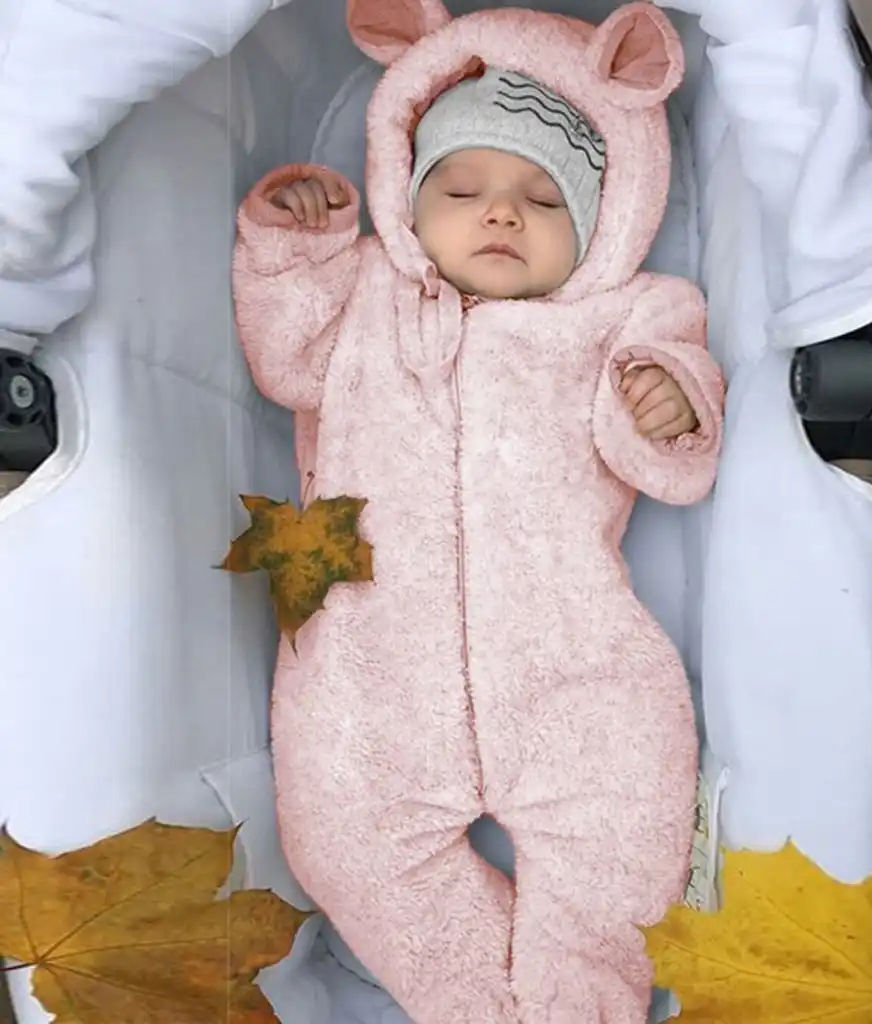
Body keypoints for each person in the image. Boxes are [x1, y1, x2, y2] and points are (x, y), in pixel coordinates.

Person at [231, 1, 725, 1020]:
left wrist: (669, 403)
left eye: (545, 199)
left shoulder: (626, 313)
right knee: (344, 836)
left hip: (575, 665)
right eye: (463, 187)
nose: (500, 213)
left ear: (604, 222)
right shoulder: (365, 293)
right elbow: (284, 360)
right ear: (408, 200)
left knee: (625, 840)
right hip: (371, 670)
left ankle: (578, 1000)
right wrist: (297, 249)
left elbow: (679, 459)